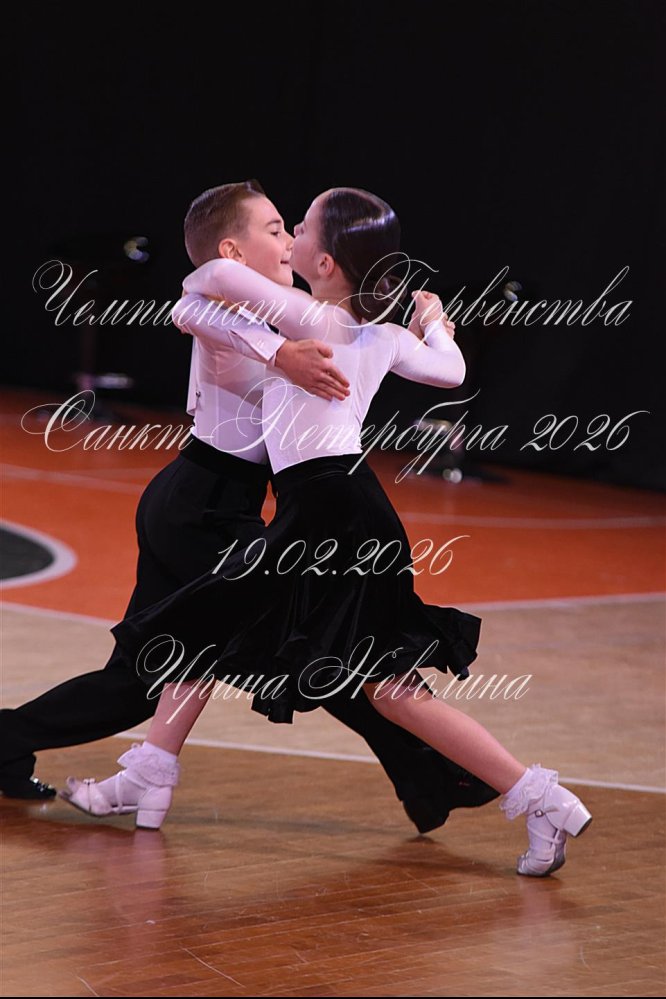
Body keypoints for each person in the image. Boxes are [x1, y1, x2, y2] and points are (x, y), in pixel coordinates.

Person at [62, 187, 592, 877]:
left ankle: (538, 795)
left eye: (301, 226)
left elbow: (205, 279)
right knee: (352, 673)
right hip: (350, 510)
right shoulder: (380, 335)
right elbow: (453, 371)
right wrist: (435, 322)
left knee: (308, 656)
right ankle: (542, 799)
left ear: (327, 262)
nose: (291, 234)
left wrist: (274, 344)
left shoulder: (309, 316)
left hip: (327, 514)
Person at [1, 180, 498, 834]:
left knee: (176, 667)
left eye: (291, 228)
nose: (289, 239)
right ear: (234, 252)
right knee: (290, 643)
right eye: (274, 229)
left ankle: (427, 777)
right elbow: (188, 305)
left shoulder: (294, 312)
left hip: (216, 502)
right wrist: (280, 354)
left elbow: (409, 364)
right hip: (200, 506)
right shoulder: (229, 309)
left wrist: (417, 329)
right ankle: (431, 775)